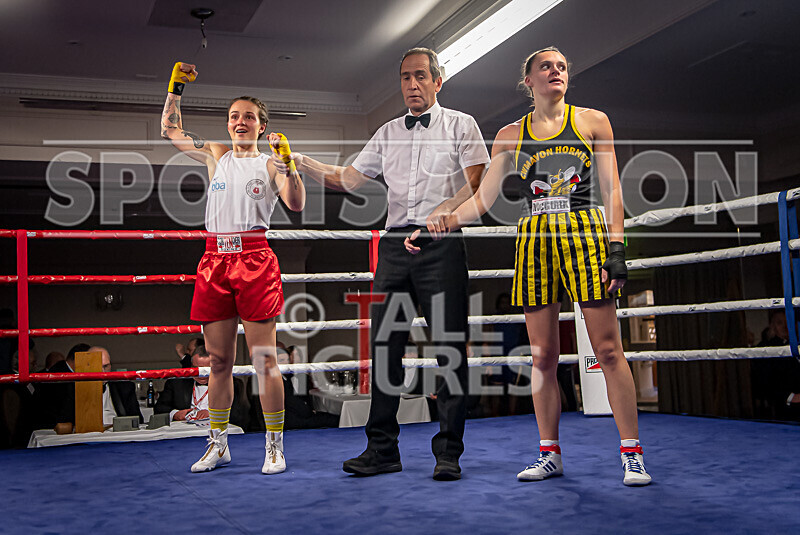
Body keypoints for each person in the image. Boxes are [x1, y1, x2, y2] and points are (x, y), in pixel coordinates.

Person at [432, 47, 651, 486]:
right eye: (546, 67)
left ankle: (632, 454)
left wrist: (618, 249)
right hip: (534, 239)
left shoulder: (592, 121)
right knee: (542, 355)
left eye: (563, 66)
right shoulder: (510, 134)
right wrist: (445, 220)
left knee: (608, 349)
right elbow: (485, 198)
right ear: (527, 80)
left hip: (585, 233)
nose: (556, 72)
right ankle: (550, 453)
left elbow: (612, 191)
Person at [273, 47, 489, 480]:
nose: (412, 84)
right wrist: (302, 162)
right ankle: (383, 450)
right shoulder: (389, 131)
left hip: (441, 239)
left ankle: (449, 452)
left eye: (420, 76)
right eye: (406, 77)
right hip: (394, 243)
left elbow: (478, 185)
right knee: (385, 347)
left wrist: (440, 215)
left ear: (437, 81)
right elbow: (350, 179)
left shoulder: (461, 124)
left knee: (448, 347)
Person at [160, 61, 305, 474]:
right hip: (214, 259)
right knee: (219, 362)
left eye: (249, 117)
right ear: (228, 125)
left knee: (263, 360)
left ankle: (274, 446)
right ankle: (218, 443)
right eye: (234, 116)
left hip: (255, 257)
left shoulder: (270, 162)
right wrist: (175, 89)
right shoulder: (217, 154)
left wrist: (288, 162)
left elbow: (296, 204)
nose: (240, 122)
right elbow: (171, 130)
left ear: (262, 126)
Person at [154, 345, 250, 426]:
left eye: (206, 370)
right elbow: (159, 409)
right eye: (196, 369)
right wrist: (175, 414)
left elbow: (240, 415)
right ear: (191, 367)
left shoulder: (231, 384)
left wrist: (213, 414)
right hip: (182, 434)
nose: (201, 374)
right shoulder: (176, 383)